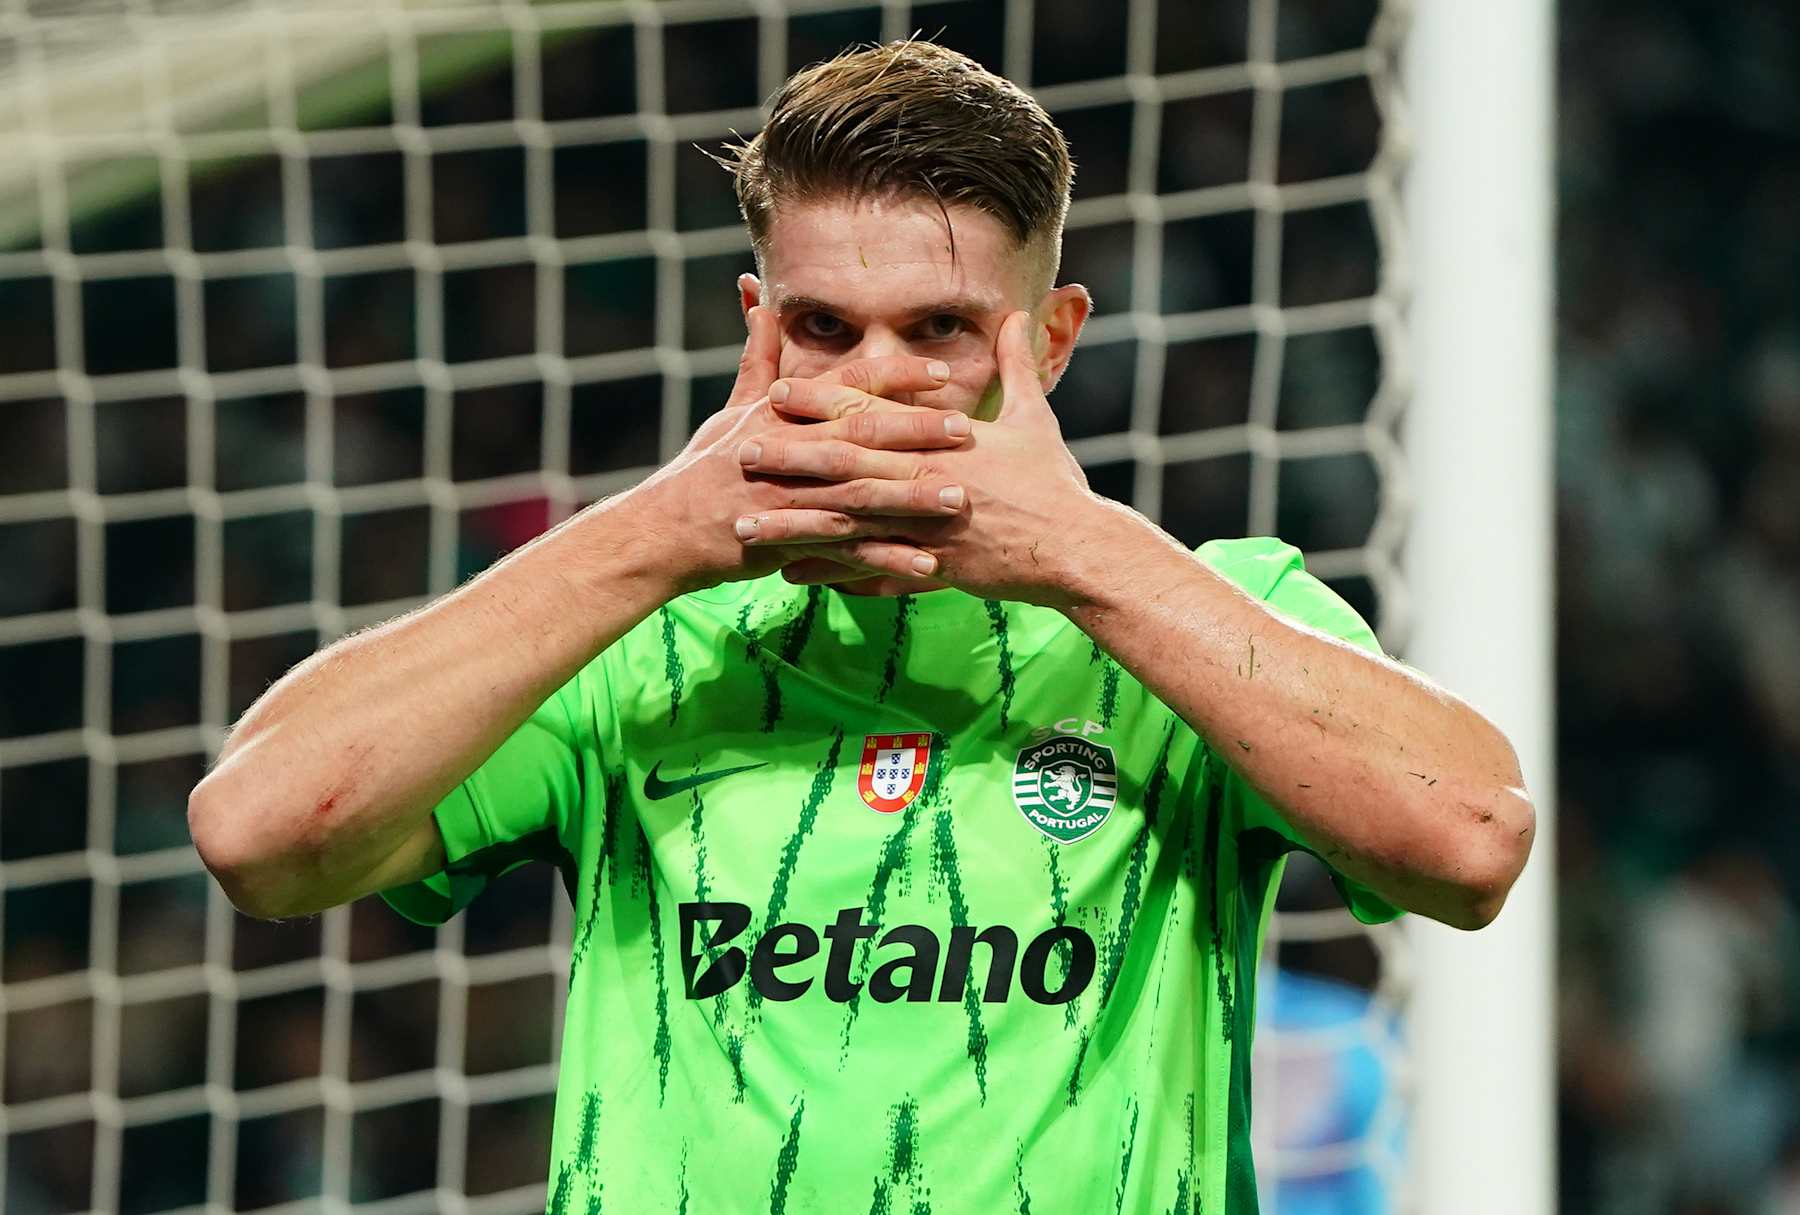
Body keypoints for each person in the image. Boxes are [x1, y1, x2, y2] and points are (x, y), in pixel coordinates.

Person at [188, 40, 1534, 1214]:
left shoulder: (1195, 616)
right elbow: (258, 831)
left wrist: (1074, 552)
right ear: (756, 329)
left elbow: (1470, 841)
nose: (879, 382)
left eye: (942, 330)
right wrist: (659, 532)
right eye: (825, 328)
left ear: (1052, 341)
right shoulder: (636, 636)